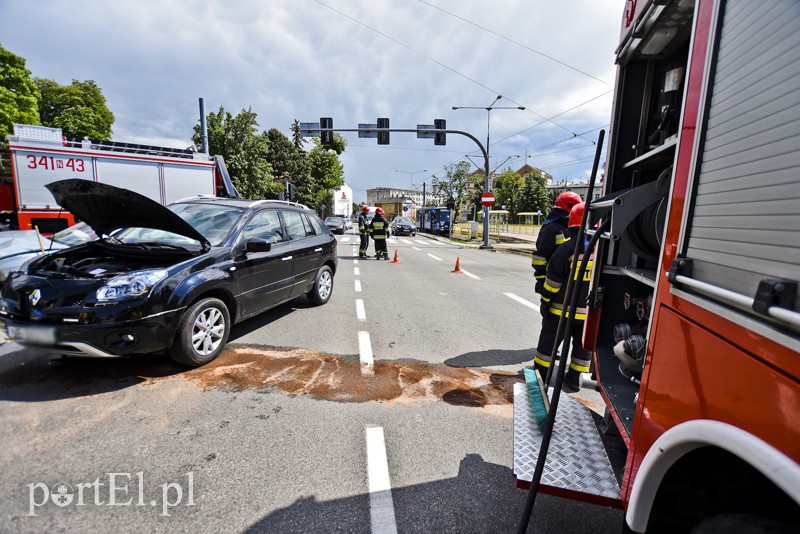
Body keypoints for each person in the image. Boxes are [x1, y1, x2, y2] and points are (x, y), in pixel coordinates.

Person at [531, 202, 593, 392]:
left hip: (560, 310)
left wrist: (545, 300)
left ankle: (541, 374)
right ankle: (576, 379)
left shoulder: (566, 249)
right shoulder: (603, 251)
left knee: (549, 342)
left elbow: (553, 282)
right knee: (582, 349)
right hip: (588, 315)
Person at [532, 191, 582, 295]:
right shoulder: (550, 228)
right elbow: (540, 257)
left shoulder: (569, 227)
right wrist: (542, 281)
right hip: (554, 279)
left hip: (569, 278)